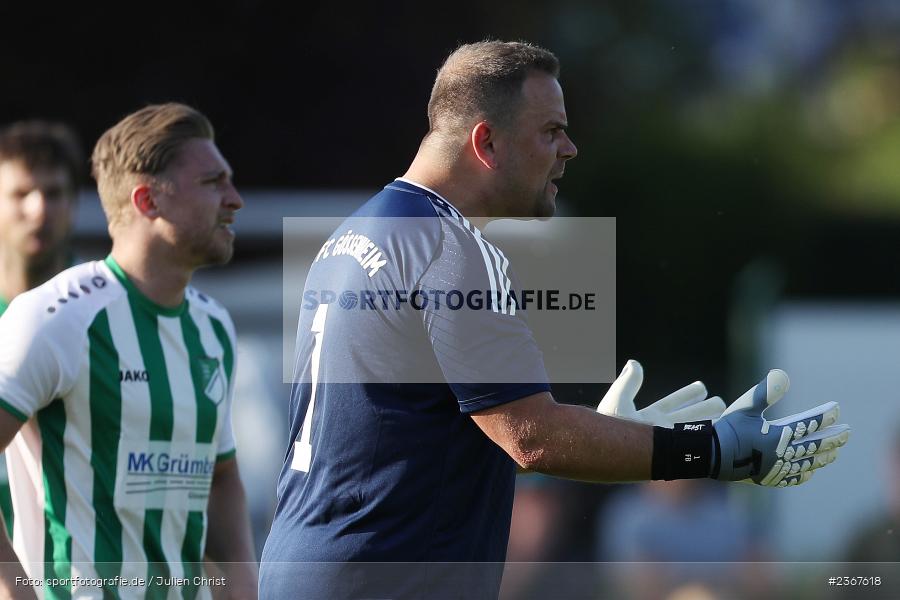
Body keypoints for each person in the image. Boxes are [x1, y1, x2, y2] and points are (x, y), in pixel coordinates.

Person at [260, 41, 849, 599]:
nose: (569, 149)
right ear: (486, 142)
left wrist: (607, 439)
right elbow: (531, 437)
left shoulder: (353, 235)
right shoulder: (453, 249)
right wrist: (712, 450)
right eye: (551, 131)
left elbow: (407, 439)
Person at [0, 103, 257, 599]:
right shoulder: (55, 318)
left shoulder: (213, 326)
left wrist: (243, 589)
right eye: (213, 183)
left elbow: (221, 477)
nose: (236, 199)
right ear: (148, 201)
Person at [0, 121, 82, 540]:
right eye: (20, 194)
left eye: (53, 193)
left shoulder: (103, 313)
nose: (39, 210)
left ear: (75, 203)